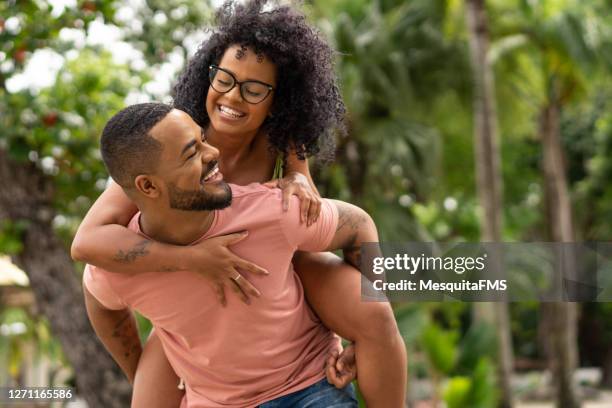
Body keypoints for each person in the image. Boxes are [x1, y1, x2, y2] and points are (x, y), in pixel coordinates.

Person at [72, 1, 407, 406]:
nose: (234, 96)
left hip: (278, 264)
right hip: (189, 285)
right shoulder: (169, 147)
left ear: (277, 101)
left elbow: (329, 209)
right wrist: (192, 260)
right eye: (225, 79)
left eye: (254, 89)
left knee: (373, 315)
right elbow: (88, 244)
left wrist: (299, 179)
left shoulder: (282, 143)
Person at [85, 102, 391, 407]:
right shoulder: (120, 261)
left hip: (310, 388)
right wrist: (136, 369)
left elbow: (359, 224)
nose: (213, 153)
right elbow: (99, 299)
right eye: (192, 153)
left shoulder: (273, 209)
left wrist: (364, 322)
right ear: (148, 186)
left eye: (203, 140)